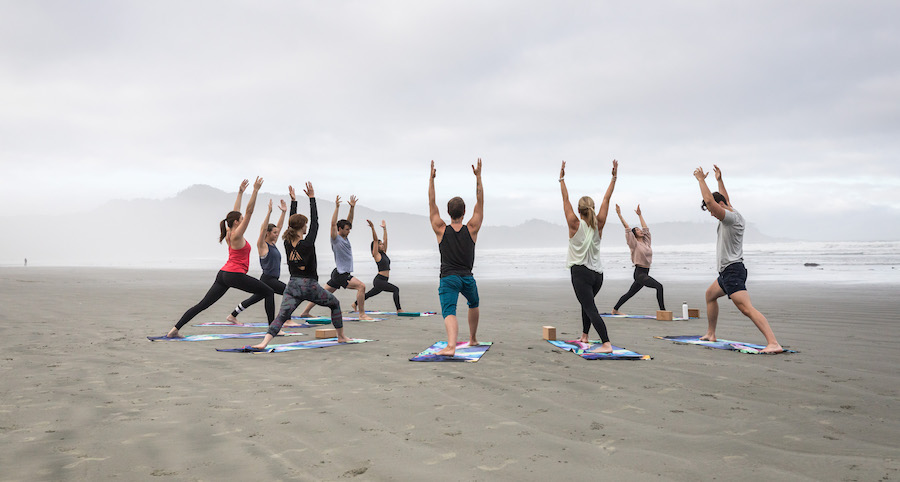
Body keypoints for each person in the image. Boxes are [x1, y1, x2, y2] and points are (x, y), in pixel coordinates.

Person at [165, 178, 274, 338]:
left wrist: (240, 192)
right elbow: (249, 212)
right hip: (235, 274)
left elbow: (237, 212)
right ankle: (273, 330)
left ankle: (174, 330)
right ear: (237, 222)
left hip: (223, 274)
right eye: (241, 220)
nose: (244, 220)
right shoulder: (236, 235)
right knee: (269, 292)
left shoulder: (230, 232)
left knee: (203, 304)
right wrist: (255, 191)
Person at [694, 165, 783, 353]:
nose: (711, 213)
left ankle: (773, 343)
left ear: (720, 206)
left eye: (712, 210)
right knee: (710, 295)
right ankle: (711, 333)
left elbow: (711, 202)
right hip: (727, 272)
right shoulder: (733, 212)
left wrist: (701, 180)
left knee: (746, 309)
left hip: (733, 271)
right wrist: (719, 180)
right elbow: (723, 200)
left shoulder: (730, 218)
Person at [250, 182, 347, 350]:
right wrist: (312, 198)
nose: (308, 226)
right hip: (310, 286)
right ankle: (341, 337)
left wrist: (294, 202)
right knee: (335, 304)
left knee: (282, 315)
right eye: (305, 224)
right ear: (302, 226)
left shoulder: (287, 241)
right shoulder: (307, 243)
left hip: (293, 285)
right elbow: (315, 222)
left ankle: (264, 342)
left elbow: (292, 224)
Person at [559, 160, 617, 353]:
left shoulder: (574, 223)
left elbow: (565, 199)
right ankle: (584, 336)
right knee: (587, 304)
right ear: (592, 208)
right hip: (598, 276)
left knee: (590, 308)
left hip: (581, 273)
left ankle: (606, 343)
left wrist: (561, 179)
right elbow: (607, 199)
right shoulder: (598, 224)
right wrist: (614, 177)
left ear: (579, 210)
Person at [428, 158, 483, 356]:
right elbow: (480, 202)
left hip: (449, 278)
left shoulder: (441, 229)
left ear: (448, 212)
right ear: (465, 212)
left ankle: (451, 346)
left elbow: (431, 203)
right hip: (468, 278)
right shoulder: (472, 228)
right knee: (473, 303)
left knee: (449, 311)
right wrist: (478, 177)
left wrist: (431, 179)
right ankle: (473, 338)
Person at [296, 195, 374, 320]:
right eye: (347, 229)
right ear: (339, 229)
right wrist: (337, 207)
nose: (349, 231)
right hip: (342, 274)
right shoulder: (335, 239)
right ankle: (362, 314)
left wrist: (352, 208)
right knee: (361, 286)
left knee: (321, 293)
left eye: (349, 229)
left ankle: (305, 312)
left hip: (337, 273)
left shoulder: (345, 237)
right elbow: (332, 224)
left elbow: (349, 221)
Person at [226, 197, 288, 323]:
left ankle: (232, 315)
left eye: (277, 232)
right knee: (289, 292)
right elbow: (263, 229)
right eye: (274, 232)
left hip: (272, 279)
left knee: (254, 299)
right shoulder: (263, 244)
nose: (277, 234)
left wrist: (283, 212)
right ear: (268, 233)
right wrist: (269, 213)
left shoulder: (273, 243)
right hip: (268, 279)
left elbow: (279, 226)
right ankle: (286, 319)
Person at [611, 204, 666, 314]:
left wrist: (640, 215)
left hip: (645, 272)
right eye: (637, 230)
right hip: (640, 273)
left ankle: (615, 310)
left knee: (630, 293)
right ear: (634, 234)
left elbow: (646, 229)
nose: (640, 230)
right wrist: (619, 215)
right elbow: (627, 229)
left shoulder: (646, 242)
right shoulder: (634, 244)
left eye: (639, 229)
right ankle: (663, 311)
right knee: (659, 287)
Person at [358, 219, 402, 311]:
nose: (382, 245)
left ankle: (355, 304)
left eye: (382, 244)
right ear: (376, 246)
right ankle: (399, 309)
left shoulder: (384, 253)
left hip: (383, 280)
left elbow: (386, 239)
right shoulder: (376, 255)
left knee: (369, 294)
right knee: (396, 289)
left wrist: (385, 229)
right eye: (380, 244)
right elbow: (375, 240)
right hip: (379, 280)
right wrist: (373, 228)